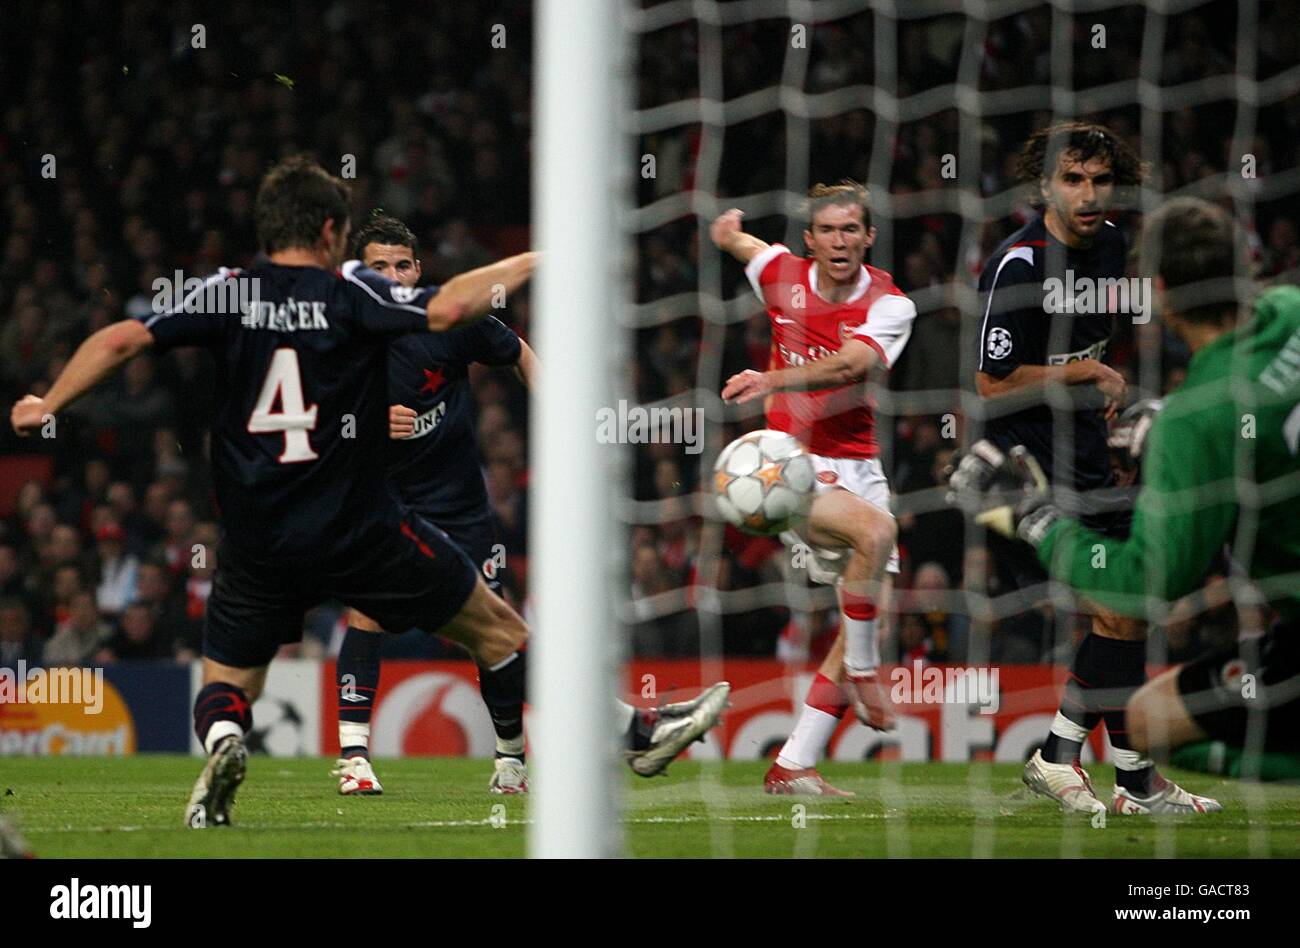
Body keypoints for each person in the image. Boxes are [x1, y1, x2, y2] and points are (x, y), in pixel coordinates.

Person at [11, 156, 725, 828]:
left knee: (227, 679)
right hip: (357, 531)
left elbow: (120, 341)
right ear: (329, 233)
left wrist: (49, 403)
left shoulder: (225, 291)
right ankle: (633, 731)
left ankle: (226, 738)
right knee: (499, 632)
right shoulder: (349, 293)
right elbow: (449, 310)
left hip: (257, 538)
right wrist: (545, 257)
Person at [332, 212, 725, 796]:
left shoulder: (449, 319)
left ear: (418, 270)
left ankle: (514, 758)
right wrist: (361, 423)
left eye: (403, 265)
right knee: (370, 612)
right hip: (385, 508)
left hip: (461, 510)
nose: (394, 276)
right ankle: (355, 758)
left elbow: (516, 350)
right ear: (360, 275)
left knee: (494, 630)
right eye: (379, 267)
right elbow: (308, 427)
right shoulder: (341, 341)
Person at [957, 197, 1300, 808]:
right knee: (1119, 625)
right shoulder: (1291, 309)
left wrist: (1034, 520)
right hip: (1057, 453)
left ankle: (1078, 762)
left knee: (1146, 706)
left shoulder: (1198, 422)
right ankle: (1089, 766)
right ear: (1248, 267)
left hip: (1047, 483)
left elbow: (1148, 581)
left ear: (1160, 292)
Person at [962, 121, 1216, 814]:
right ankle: (1065, 758)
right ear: (1043, 185)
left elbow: (1092, 348)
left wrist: (1105, 402)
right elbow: (992, 384)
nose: (1089, 192)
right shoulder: (1018, 265)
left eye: (1101, 179)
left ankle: (1119, 777)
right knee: (1116, 607)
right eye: (1072, 179)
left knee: (1129, 608)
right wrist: (1086, 372)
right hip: (1022, 480)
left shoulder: (1110, 248)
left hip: (1087, 467)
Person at [713, 180, 916, 795]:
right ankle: (862, 670)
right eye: (827, 230)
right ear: (809, 239)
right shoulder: (780, 271)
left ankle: (793, 763)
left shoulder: (891, 304)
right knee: (877, 533)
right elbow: (743, 245)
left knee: (861, 615)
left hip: (860, 466)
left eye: (850, 230)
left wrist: (771, 378)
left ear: (869, 237)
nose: (839, 241)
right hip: (789, 462)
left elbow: (853, 364)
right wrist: (726, 232)